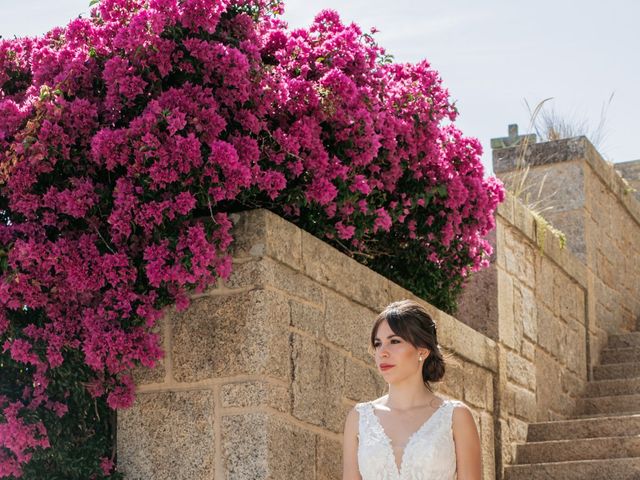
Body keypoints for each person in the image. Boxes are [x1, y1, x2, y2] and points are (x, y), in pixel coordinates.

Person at [342, 299, 482, 480]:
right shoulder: (359, 418)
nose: (382, 352)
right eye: (378, 344)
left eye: (394, 341)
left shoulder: (456, 416)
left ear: (422, 351)